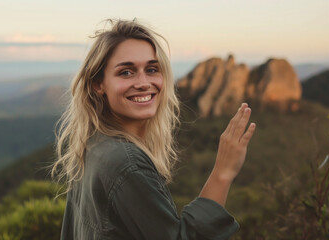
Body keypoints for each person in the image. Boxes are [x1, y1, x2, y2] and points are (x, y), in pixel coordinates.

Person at [52, 19, 256, 240]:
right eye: (126, 72)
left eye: (151, 69)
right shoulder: (126, 163)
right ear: (98, 84)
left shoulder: (94, 144)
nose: (143, 82)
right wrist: (223, 172)